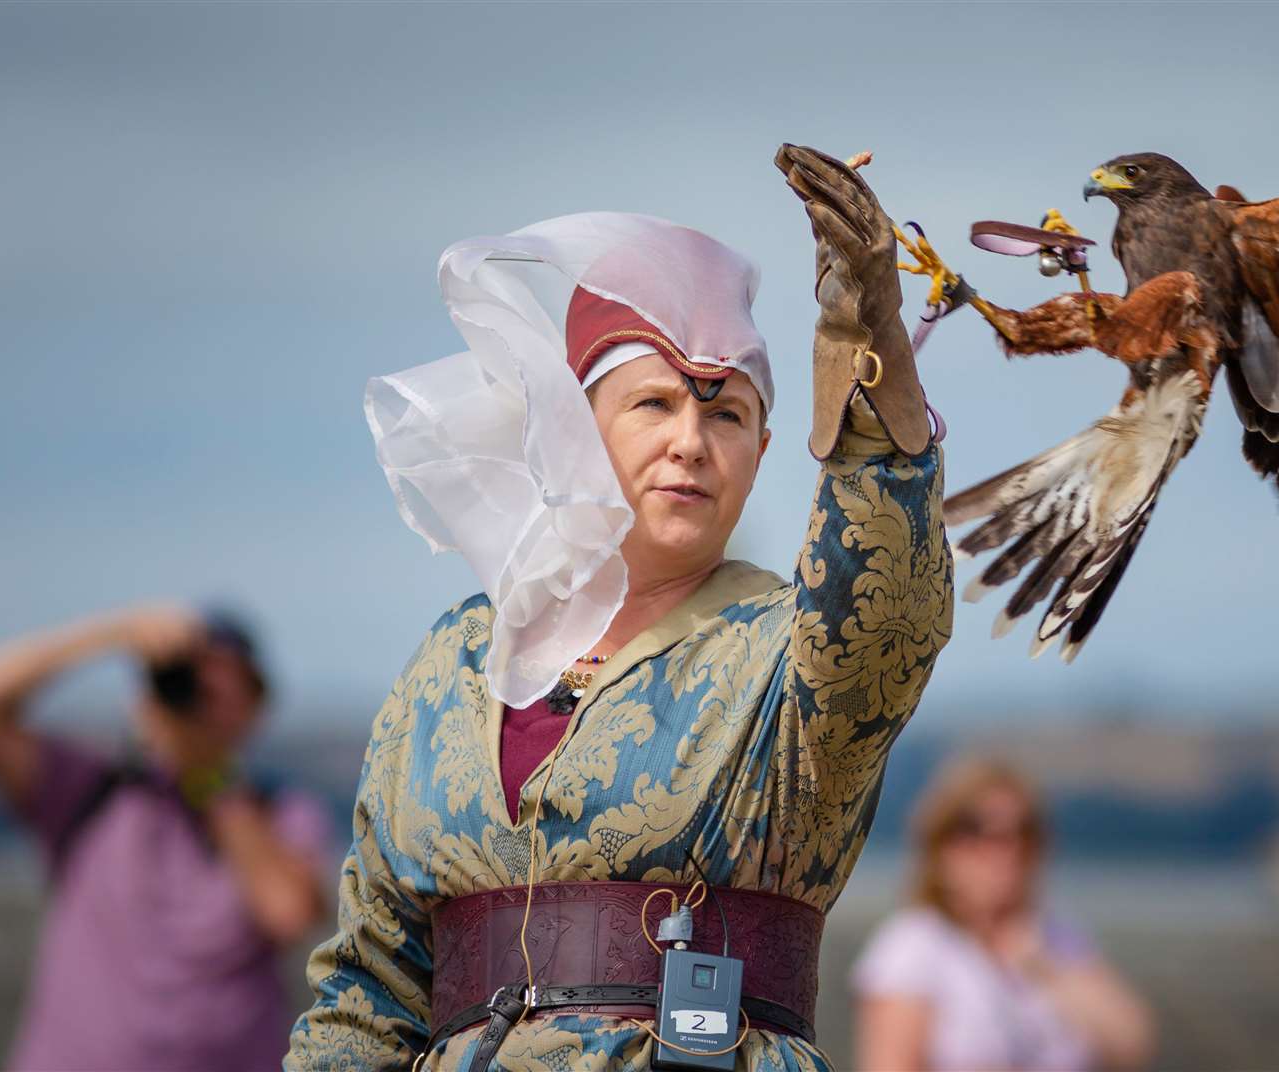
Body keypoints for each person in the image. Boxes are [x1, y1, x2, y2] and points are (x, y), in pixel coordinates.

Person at [286, 145, 953, 1071]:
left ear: (761, 451)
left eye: (726, 415)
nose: (690, 441)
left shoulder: (790, 656)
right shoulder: (452, 662)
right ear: (572, 434)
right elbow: (367, 987)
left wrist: (867, 339)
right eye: (653, 404)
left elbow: (886, 608)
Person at [0, 604, 336, 1072]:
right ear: (145, 699)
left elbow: (287, 912)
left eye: (222, 685)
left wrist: (211, 777)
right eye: (185, 681)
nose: (198, 699)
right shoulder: (90, 789)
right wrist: (112, 632)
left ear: (256, 705)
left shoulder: (281, 811)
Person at [852, 758, 1155, 1072]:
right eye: (980, 831)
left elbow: (1131, 1045)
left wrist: (1045, 968)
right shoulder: (914, 944)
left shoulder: (1057, 937)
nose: (1006, 851)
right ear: (942, 846)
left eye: (1023, 832)